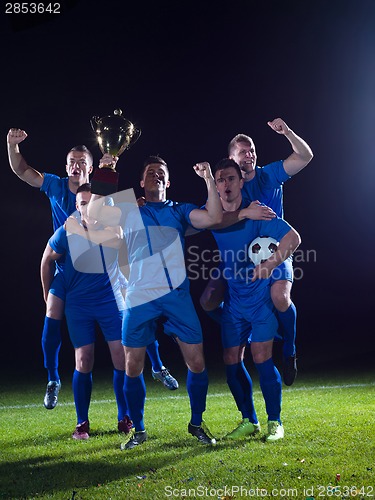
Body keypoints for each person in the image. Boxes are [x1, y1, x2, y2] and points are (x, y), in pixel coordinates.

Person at [7, 129, 178, 410]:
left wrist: (133, 205)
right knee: (51, 312)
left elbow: (126, 221)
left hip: (105, 268)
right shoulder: (56, 186)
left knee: (136, 310)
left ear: (91, 167)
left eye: (82, 162)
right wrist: (12, 146)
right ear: (66, 166)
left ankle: (157, 366)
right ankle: (52, 380)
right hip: (69, 270)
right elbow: (22, 170)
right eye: (71, 161)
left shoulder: (103, 191)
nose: (76, 166)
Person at [87, 155, 223, 449]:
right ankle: (139, 430)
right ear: (140, 181)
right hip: (139, 295)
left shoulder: (180, 210)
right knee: (132, 367)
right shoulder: (126, 207)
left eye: (161, 172)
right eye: (150, 172)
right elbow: (92, 214)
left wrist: (209, 179)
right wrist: (106, 171)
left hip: (176, 296)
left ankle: (197, 423)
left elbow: (213, 217)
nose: (156, 175)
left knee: (197, 363)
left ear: (168, 181)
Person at [200, 118, 313, 386]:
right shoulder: (227, 183)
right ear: (231, 158)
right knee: (207, 302)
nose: (248, 154)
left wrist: (287, 132)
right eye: (242, 151)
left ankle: (289, 349)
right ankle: (250, 323)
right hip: (239, 256)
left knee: (279, 297)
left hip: (274, 249)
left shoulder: (269, 174)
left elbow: (305, 156)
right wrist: (244, 213)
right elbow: (213, 217)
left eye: (251, 150)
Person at [208, 158, 301, 441]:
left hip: (259, 299)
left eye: (231, 179)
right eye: (220, 179)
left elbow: (293, 238)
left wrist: (270, 264)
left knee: (261, 357)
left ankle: (275, 421)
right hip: (235, 302)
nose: (226, 184)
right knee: (230, 362)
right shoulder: (211, 214)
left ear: (240, 182)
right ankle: (249, 420)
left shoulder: (259, 213)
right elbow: (186, 223)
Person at [40, 183, 132, 439]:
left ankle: (124, 417)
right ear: (77, 207)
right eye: (81, 203)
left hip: (109, 301)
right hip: (78, 304)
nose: (86, 207)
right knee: (83, 360)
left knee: (121, 358)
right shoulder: (65, 232)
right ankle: (82, 423)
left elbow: (118, 236)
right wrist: (47, 294)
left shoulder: (112, 228)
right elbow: (47, 259)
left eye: (92, 202)